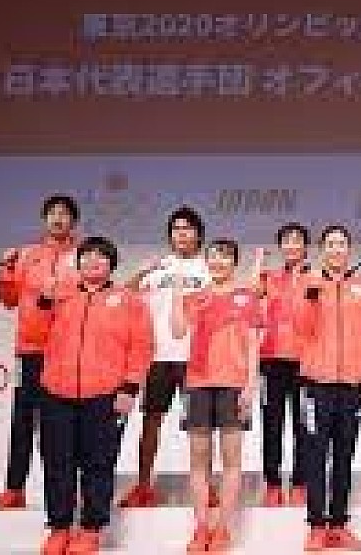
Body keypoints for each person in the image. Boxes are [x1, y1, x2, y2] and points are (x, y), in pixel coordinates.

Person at [38, 236, 154, 555]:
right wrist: (44, 299)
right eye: (86, 256)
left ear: (111, 265)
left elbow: (142, 346)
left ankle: (91, 529)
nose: (92, 261)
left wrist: (129, 387)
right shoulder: (61, 295)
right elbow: (36, 333)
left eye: (100, 257)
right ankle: (59, 527)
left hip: (106, 395)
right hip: (56, 392)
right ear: (78, 263)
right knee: (57, 462)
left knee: (99, 463)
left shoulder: (128, 301)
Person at [0, 194, 81, 510]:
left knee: (62, 425)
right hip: (29, 350)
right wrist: (5, 271)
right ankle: (14, 489)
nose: (58, 218)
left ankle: (64, 491)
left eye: (64, 213)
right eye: (52, 213)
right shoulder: (26, 255)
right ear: (44, 219)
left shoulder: (83, 256)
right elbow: (9, 301)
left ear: (73, 221)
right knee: (23, 420)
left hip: (66, 351)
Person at [172, 239, 263, 552]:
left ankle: (223, 527)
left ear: (234, 263)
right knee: (199, 461)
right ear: (206, 262)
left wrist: (251, 384)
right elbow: (178, 332)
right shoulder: (196, 298)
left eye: (225, 257)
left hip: (234, 384)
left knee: (231, 461)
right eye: (213, 256)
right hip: (197, 384)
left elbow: (253, 343)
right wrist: (177, 296)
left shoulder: (247, 298)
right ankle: (201, 527)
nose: (218, 262)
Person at [118, 206, 212, 509]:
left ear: (198, 234)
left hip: (194, 358)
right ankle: (143, 485)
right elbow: (123, 295)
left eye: (187, 228)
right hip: (157, 357)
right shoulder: (158, 269)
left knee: (199, 427)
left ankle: (206, 487)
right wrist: (143, 271)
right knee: (151, 420)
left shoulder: (208, 269)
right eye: (176, 229)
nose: (181, 234)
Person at [295, 225, 361, 551]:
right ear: (322, 250)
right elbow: (300, 329)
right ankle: (317, 526)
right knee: (315, 456)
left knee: (344, 455)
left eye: (341, 244)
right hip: (316, 385)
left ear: (349, 250)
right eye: (330, 244)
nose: (335, 249)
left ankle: (339, 524)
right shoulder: (308, 284)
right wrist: (310, 297)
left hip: (352, 386)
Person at [258, 222, 312, 507]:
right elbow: (252, 296)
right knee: (272, 423)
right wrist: (258, 263)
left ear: (305, 246)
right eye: (287, 241)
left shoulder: (315, 279)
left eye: (297, 240)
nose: (292, 245)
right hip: (271, 362)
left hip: (305, 363)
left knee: (303, 424)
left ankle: (301, 481)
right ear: (281, 246)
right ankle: (273, 483)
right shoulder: (269, 278)